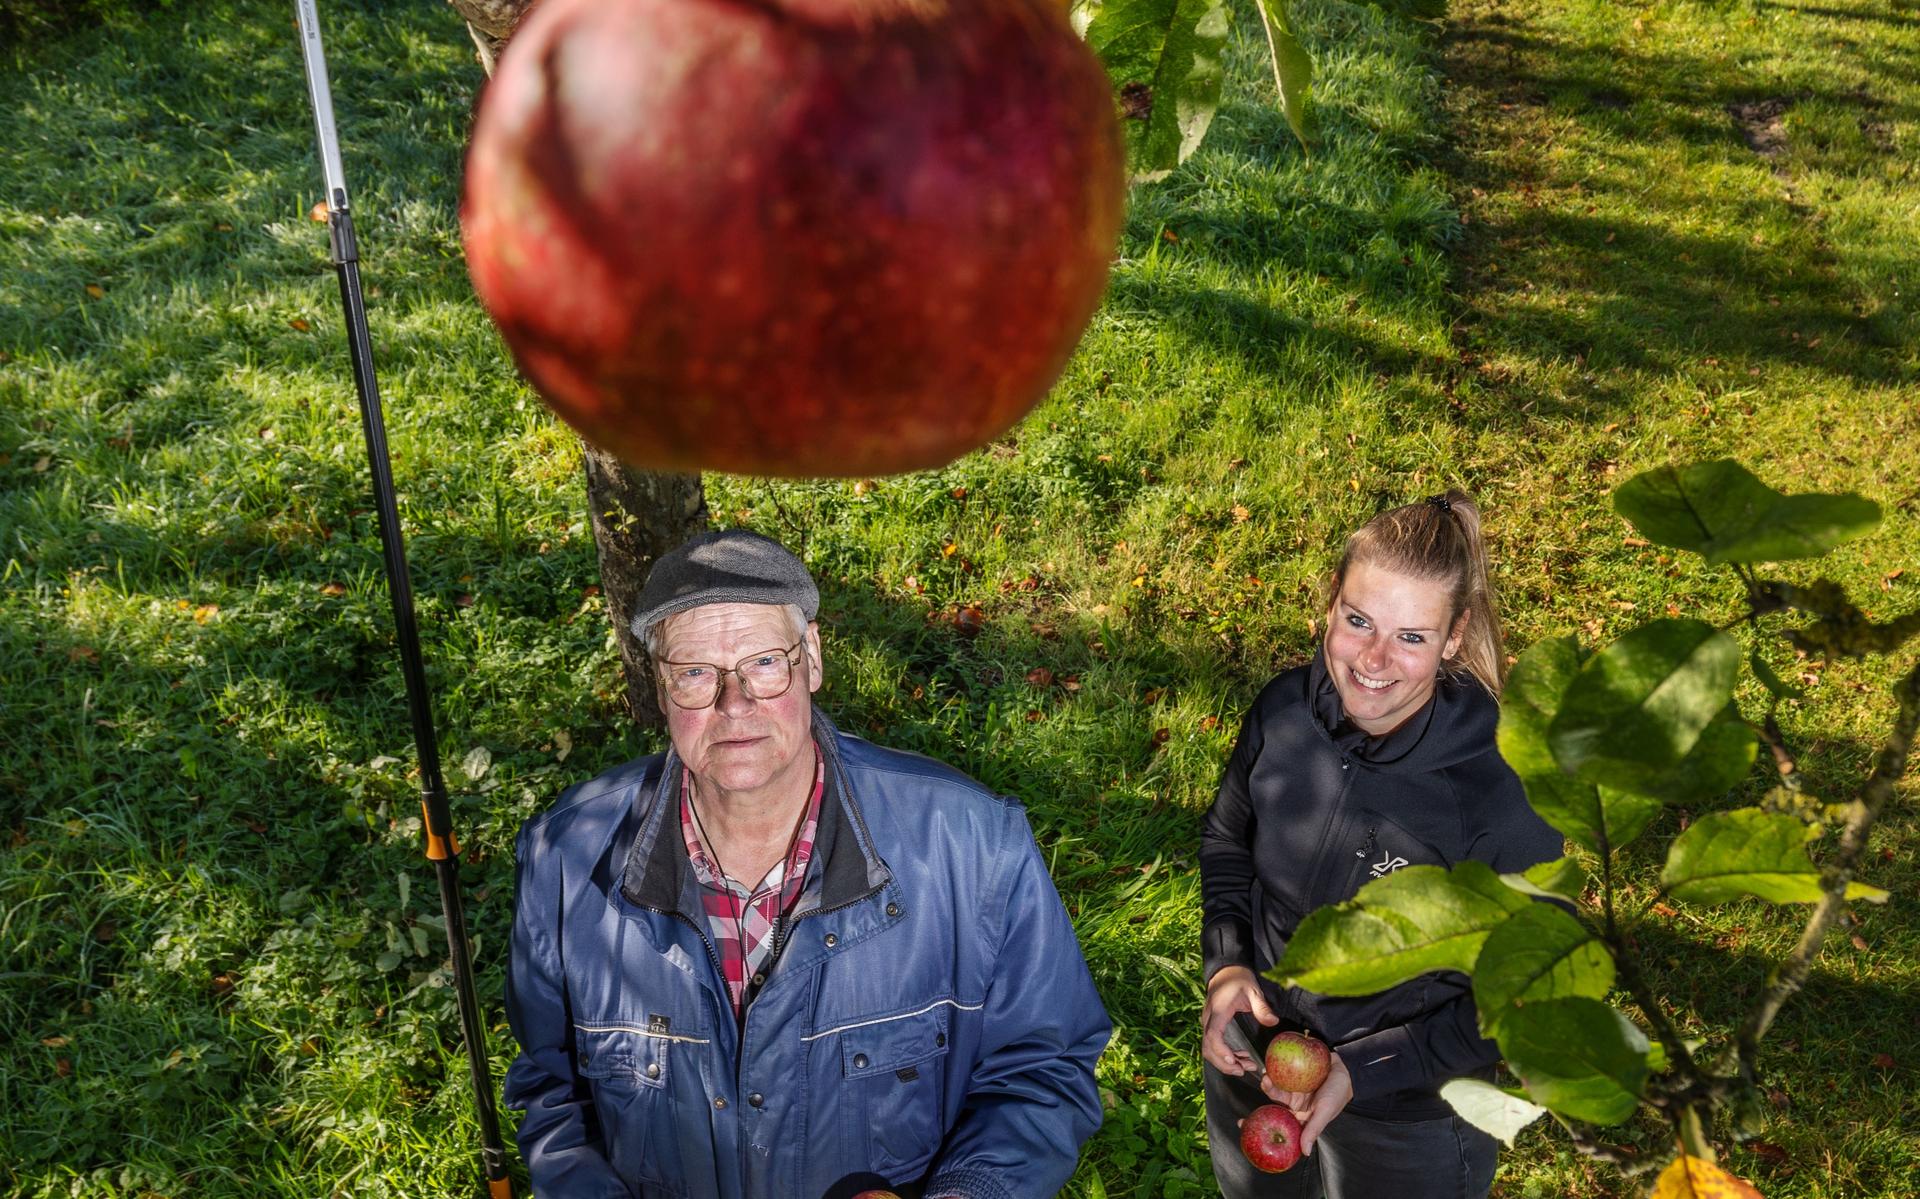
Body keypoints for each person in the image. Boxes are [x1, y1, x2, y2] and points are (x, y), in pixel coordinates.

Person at [504, 528, 1109, 1199]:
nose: (735, 705)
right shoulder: (566, 858)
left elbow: (1043, 1066)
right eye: (696, 672)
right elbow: (551, 1089)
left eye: (764, 662)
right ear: (660, 686)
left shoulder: (971, 846)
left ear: (812, 659)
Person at [1198, 491, 1564, 1199]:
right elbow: (1226, 839)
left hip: (1407, 1114)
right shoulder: (1282, 711)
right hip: (1253, 1060)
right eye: (1359, 619)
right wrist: (1226, 966)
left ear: (1454, 636)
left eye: (1412, 636)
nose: (1374, 659)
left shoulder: (1503, 786)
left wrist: (1365, 1067)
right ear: (1331, 602)